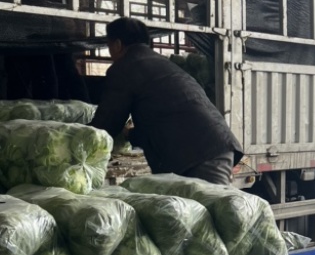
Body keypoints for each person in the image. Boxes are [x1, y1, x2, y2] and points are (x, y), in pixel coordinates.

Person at [91, 17, 243, 185]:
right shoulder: (159, 63)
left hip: (200, 154)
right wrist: (129, 134)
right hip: (208, 146)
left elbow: (106, 123)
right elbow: (164, 122)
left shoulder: (125, 67)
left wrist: (76, 140)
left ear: (117, 44)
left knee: (209, 208)